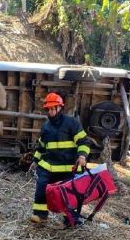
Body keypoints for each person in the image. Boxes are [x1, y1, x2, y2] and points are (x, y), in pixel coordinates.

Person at [28, 92, 90, 224]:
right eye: (48, 109)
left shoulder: (72, 123)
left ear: (59, 108)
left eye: (53, 109)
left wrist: (82, 156)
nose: (50, 112)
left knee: (69, 194)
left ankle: (70, 219)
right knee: (41, 187)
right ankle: (40, 215)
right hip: (49, 166)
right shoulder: (46, 127)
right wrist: (35, 161)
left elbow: (84, 142)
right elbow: (41, 146)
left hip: (68, 168)